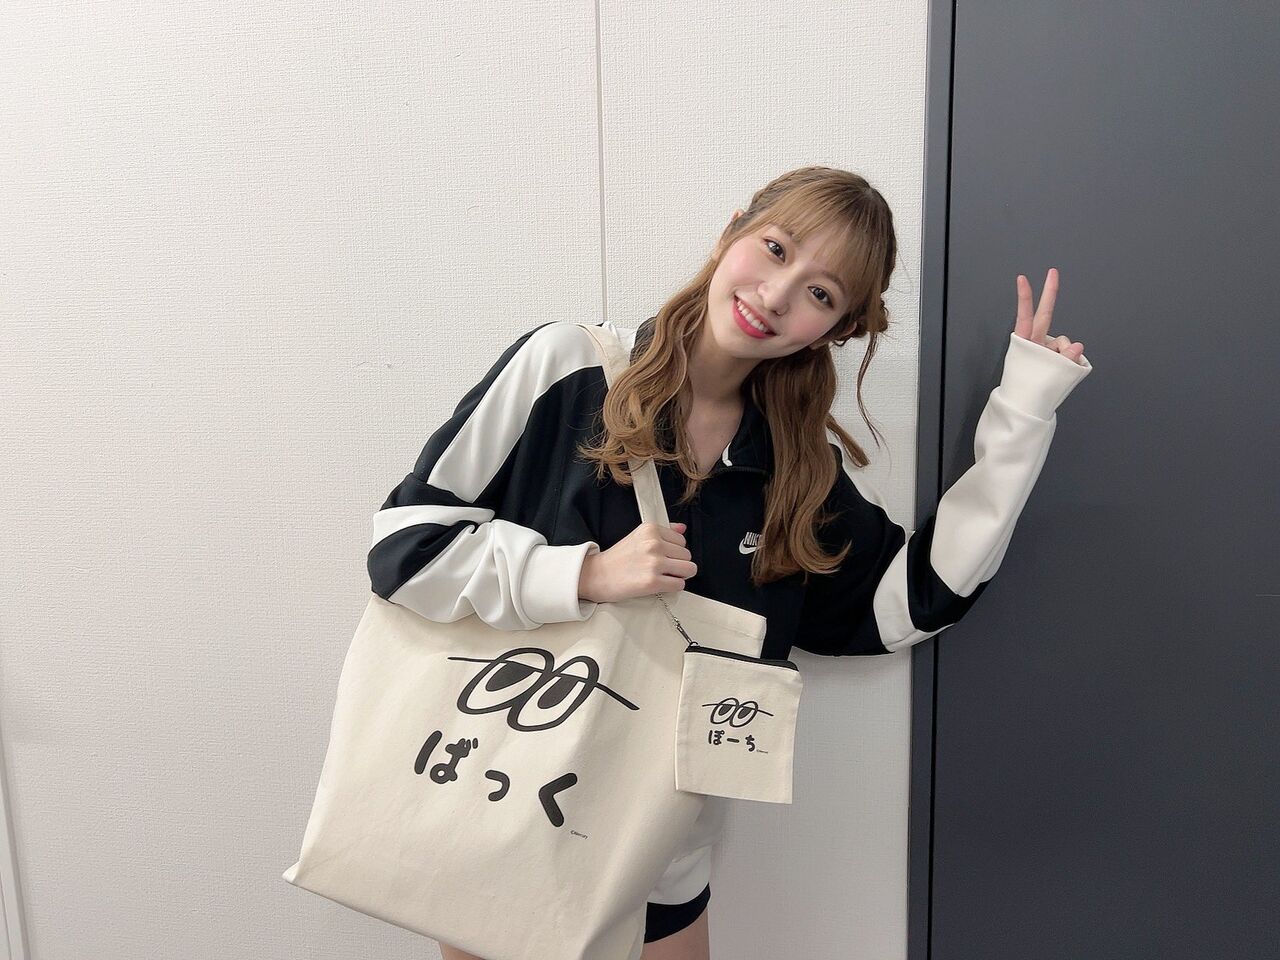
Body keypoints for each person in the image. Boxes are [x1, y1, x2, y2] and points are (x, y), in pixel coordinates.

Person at [367, 166, 1092, 960]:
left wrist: (1021, 412)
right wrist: (585, 575)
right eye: (775, 248)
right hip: (504, 807)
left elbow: (905, 599)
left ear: (837, 329)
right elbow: (406, 547)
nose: (776, 296)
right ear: (732, 231)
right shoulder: (569, 368)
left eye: (820, 293)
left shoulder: (794, 467)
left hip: (661, 850)